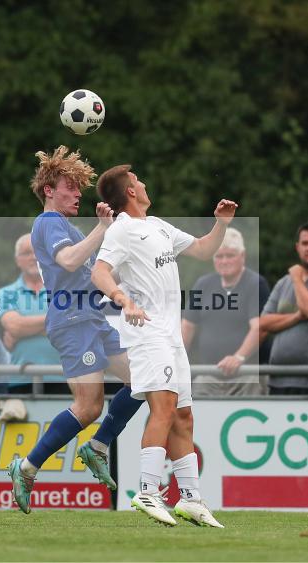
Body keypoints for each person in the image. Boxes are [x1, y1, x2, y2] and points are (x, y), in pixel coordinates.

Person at [92, 163, 235, 528]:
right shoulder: (122, 230)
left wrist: (221, 224)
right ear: (130, 192)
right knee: (164, 409)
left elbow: (204, 250)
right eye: (138, 180)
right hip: (147, 333)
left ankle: (190, 500)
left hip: (171, 337)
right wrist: (124, 299)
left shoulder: (158, 226)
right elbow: (100, 272)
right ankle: (147, 492)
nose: (143, 183)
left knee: (183, 415)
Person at [7, 146, 143, 516]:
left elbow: (91, 275)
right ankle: (27, 468)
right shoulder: (48, 223)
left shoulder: (66, 227)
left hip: (93, 319)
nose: (78, 193)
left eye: (80, 187)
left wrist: (126, 296)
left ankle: (97, 447)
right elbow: (68, 259)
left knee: (142, 380)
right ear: (49, 190)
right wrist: (101, 230)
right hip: (71, 324)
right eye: (70, 186)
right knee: (88, 407)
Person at [241, 224, 308, 395]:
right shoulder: (283, 283)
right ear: (297, 247)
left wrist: (297, 278)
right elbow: (264, 323)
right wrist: (298, 316)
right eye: (305, 243)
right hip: (280, 380)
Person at [181, 227, 270, 395]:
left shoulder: (255, 284)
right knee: (197, 413)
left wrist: (238, 357)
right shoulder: (203, 284)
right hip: (209, 374)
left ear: (242, 256)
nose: (224, 261)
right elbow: (187, 326)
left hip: (247, 375)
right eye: (219, 256)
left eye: (230, 255)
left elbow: (258, 328)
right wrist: (176, 360)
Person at [0, 233, 69, 395]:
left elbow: (70, 325)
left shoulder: (64, 288)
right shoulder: (6, 293)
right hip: (21, 380)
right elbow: (14, 326)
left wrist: (24, 331)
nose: (33, 257)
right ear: (17, 260)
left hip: (63, 377)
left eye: (38, 250)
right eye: (26, 253)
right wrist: (53, 323)